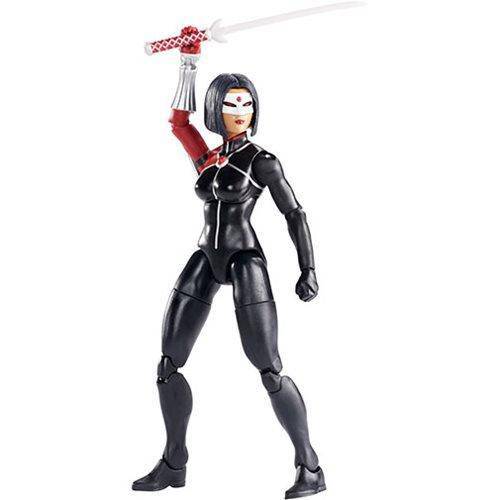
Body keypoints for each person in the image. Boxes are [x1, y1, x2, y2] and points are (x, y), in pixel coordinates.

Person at [132, 26, 326, 499]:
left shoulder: (262, 161)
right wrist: (189, 59)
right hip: (206, 255)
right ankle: (174, 463)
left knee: (268, 368)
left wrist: (308, 268)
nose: (241, 112)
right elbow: (179, 123)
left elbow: (294, 213)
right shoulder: (209, 159)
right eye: (231, 104)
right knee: (168, 363)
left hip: (243, 259)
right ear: (215, 108)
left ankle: (310, 467)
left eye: (247, 104)